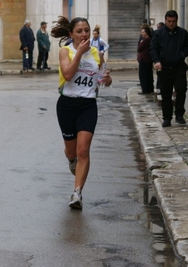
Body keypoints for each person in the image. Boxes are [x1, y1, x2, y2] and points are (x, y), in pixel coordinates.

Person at [51, 16, 112, 209]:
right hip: (67, 105)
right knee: (72, 151)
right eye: (79, 31)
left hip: (88, 106)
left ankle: (77, 193)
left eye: (86, 30)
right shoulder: (65, 51)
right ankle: (71, 160)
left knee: (83, 150)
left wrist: (107, 78)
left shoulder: (97, 53)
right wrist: (79, 54)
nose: (84, 34)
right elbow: (68, 74)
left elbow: (105, 81)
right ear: (71, 34)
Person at [150, 10, 188, 127]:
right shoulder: (158, 33)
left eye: (173, 21)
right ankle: (167, 117)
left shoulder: (182, 33)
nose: (171, 24)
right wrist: (157, 61)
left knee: (181, 89)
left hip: (179, 67)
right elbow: (153, 48)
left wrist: (182, 55)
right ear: (165, 20)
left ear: (176, 21)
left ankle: (179, 115)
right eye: (169, 21)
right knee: (166, 93)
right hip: (164, 68)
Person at [137, 27, 153, 94]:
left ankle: (145, 89)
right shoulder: (148, 39)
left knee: (144, 75)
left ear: (146, 33)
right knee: (147, 74)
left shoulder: (146, 40)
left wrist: (141, 43)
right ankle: (148, 89)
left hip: (144, 59)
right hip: (146, 59)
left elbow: (139, 48)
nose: (141, 33)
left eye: (143, 32)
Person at [155, 22, 164, 90]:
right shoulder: (156, 35)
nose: (157, 29)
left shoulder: (163, 35)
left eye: (159, 27)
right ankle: (158, 86)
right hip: (159, 60)